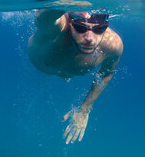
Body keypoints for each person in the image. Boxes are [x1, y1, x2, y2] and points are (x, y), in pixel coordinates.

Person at [28, 9, 123, 144]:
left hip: (66, 70)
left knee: (67, 74)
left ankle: (67, 75)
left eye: (99, 29)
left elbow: (107, 73)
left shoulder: (113, 44)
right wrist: (68, 4)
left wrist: (85, 108)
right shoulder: (58, 28)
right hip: (41, 66)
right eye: (80, 28)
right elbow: (42, 17)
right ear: (70, 21)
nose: (90, 38)